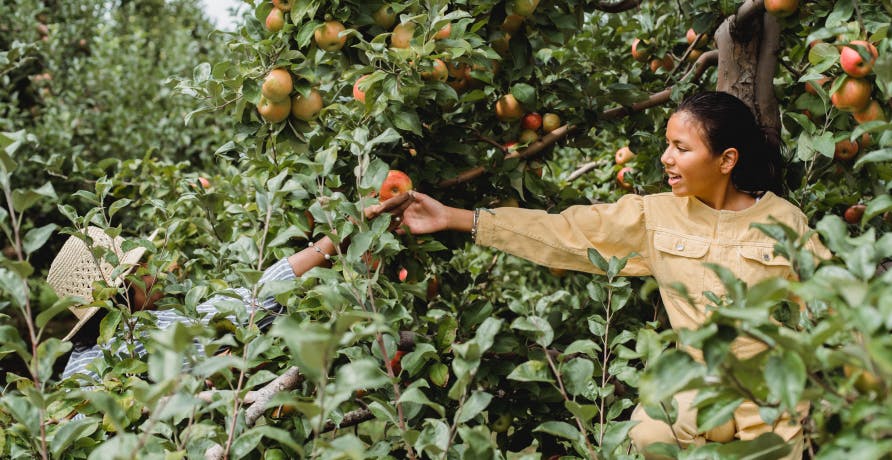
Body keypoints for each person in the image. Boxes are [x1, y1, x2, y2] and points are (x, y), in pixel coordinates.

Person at [396, 91, 830, 459]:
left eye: (681, 148)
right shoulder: (654, 215)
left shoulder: (784, 222)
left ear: (726, 160)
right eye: (667, 144)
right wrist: (456, 217)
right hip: (697, 386)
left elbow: (833, 308)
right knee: (648, 432)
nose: (666, 158)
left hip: (771, 399)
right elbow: (564, 232)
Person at [50, 194, 412, 383]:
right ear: (122, 290)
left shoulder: (73, 373)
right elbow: (250, 304)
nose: (153, 273)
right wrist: (332, 240)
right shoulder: (146, 335)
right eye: (142, 270)